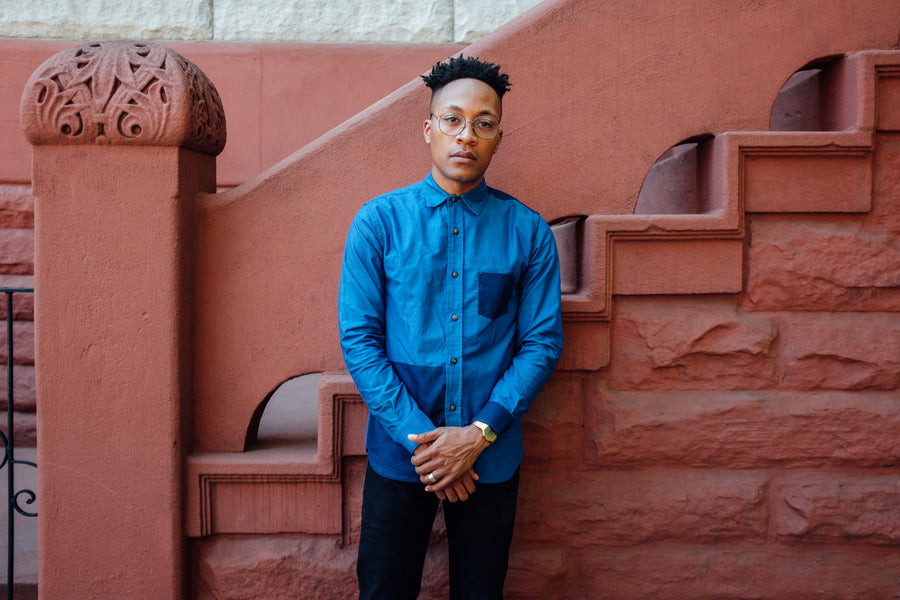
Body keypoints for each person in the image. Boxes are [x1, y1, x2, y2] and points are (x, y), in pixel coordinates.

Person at [338, 55, 563, 600]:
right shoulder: (379, 223)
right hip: (401, 455)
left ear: (498, 138)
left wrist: (476, 436)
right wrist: (432, 448)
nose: (467, 135)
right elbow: (360, 341)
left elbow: (541, 342)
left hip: (491, 455)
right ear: (429, 128)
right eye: (452, 120)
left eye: (483, 124)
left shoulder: (528, 232)